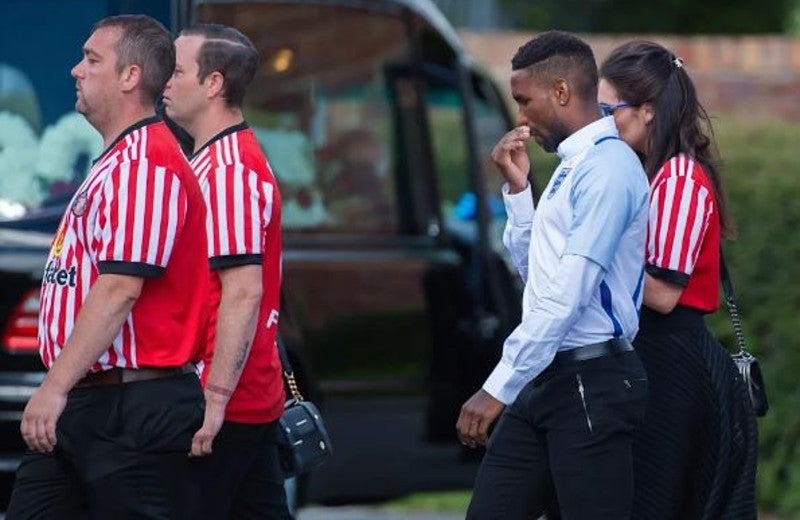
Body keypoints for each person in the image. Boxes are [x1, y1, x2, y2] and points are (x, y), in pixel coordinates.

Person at [7, 15, 208, 519]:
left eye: (92, 59)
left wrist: (52, 387)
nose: (76, 70)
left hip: (131, 409)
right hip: (87, 398)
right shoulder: (117, 158)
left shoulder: (147, 163)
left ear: (130, 76)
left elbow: (120, 287)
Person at [455, 30, 650, 519]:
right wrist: (520, 197)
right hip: (550, 374)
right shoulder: (573, 165)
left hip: (592, 377)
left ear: (561, 92)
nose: (520, 118)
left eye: (524, 101)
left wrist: (497, 386)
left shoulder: (608, 168)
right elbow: (540, 282)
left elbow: (567, 296)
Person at [598, 40, 758, 519]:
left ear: (647, 110)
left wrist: (590, 259)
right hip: (657, 356)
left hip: (672, 361)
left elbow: (664, 294)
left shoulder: (680, 178)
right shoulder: (654, 173)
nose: (604, 121)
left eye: (611, 109)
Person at [163, 24, 290, 519]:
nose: (164, 82)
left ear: (213, 83)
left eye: (175, 71)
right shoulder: (216, 160)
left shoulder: (230, 171)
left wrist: (213, 401)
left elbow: (242, 293)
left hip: (226, 403)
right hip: (237, 397)